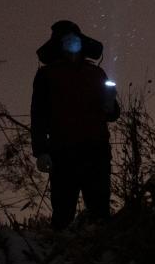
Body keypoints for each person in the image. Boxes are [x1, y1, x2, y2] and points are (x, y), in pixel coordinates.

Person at [30, 19, 120, 230]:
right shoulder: (46, 75)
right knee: (63, 214)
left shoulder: (96, 73)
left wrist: (110, 107)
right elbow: (39, 115)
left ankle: (99, 255)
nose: (71, 43)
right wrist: (41, 151)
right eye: (66, 40)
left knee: (99, 212)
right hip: (63, 152)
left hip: (96, 151)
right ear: (59, 45)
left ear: (81, 42)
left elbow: (113, 113)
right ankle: (62, 255)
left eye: (74, 39)